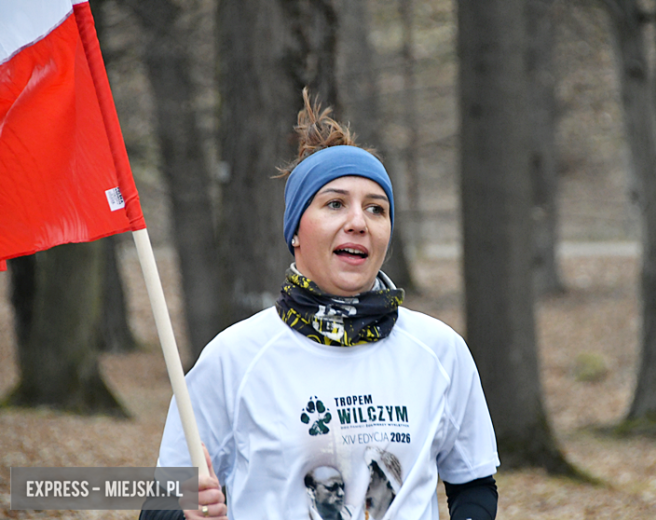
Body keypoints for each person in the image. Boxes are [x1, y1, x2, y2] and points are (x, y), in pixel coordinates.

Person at [140, 89, 499, 520]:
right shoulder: (233, 358)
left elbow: (473, 485)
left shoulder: (439, 351)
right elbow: (159, 505)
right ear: (295, 231)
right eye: (334, 204)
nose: (358, 222)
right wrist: (187, 513)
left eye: (376, 209)